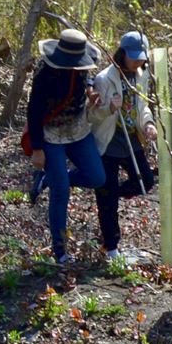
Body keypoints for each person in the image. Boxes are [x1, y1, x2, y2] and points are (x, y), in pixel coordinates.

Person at [21, 27, 107, 265]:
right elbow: (34, 110)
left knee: (96, 176)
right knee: (62, 192)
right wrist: (37, 148)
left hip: (78, 129)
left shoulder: (83, 66)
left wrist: (90, 91)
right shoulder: (45, 73)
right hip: (51, 135)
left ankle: (47, 179)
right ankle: (60, 252)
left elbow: (87, 77)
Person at [89, 31, 157, 260]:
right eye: (133, 56)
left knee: (146, 181)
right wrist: (108, 108)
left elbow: (143, 106)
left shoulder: (140, 75)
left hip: (132, 140)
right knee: (106, 200)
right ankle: (111, 248)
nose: (138, 61)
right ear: (122, 54)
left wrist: (148, 124)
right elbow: (91, 117)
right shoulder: (104, 78)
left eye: (141, 57)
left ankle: (111, 194)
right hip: (107, 142)